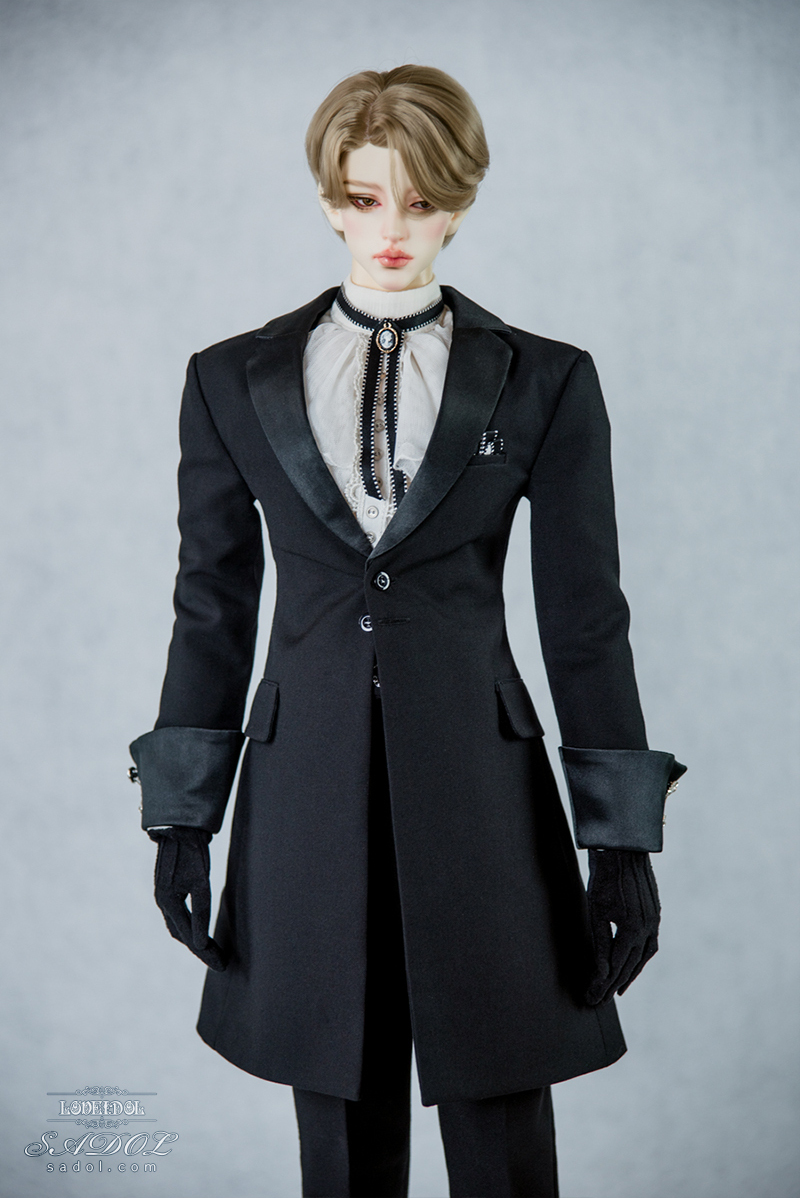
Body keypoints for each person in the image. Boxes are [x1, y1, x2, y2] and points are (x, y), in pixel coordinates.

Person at [129, 65, 685, 1198]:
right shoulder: (231, 380)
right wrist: (182, 815)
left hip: (482, 791)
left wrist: (620, 841)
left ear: (461, 205)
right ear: (327, 198)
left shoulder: (543, 381)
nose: (391, 228)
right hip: (302, 795)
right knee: (338, 1130)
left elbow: (585, 618)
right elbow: (211, 602)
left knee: (501, 1123)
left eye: (422, 201)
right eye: (364, 196)